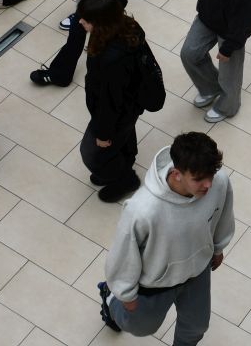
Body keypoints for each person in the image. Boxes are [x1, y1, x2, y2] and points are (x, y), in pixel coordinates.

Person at [99, 131, 234, 344]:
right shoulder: (142, 210)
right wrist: (124, 292)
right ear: (176, 174)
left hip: (197, 270)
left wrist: (218, 247)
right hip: (157, 281)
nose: (208, 184)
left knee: (197, 326)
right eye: (199, 179)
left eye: (211, 175)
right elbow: (124, 252)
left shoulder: (218, 182)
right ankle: (110, 297)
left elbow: (221, 214)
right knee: (140, 327)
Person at [73, 0, 151, 203]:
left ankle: (126, 179)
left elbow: (109, 102)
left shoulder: (111, 60)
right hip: (131, 103)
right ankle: (127, 159)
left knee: (91, 154)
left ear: (101, 23)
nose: (80, 22)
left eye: (86, 19)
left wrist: (103, 133)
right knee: (125, 133)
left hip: (117, 110)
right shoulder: (128, 27)